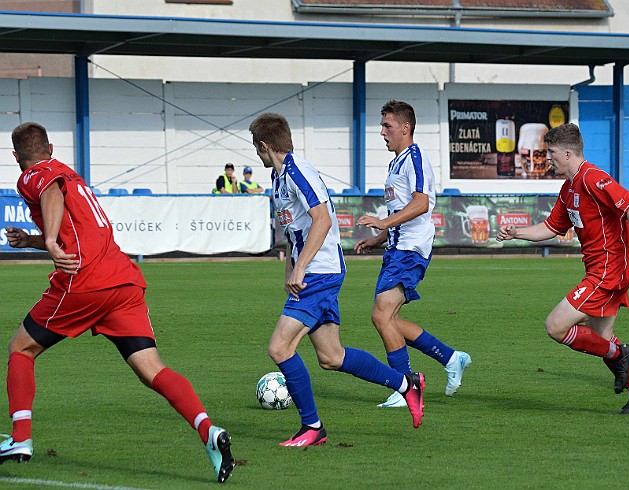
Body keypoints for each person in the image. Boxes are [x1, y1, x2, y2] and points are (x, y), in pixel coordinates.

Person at [1, 122, 235, 483]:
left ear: (16, 156)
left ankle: (19, 439)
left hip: (86, 281)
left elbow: (49, 192)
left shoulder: (37, 174)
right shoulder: (71, 175)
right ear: (51, 145)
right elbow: (75, 226)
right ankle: (208, 431)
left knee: (21, 348)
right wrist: (33, 240)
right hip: (123, 280)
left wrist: (47, 241)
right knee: (152, 369)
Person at [249, 112, 425, 447]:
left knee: (279, 347)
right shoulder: (280, 177)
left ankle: (312, 427)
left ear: (264, 145)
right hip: (313, 272)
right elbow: (296, 228)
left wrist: (300, 268)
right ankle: (407, 385)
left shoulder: (298, 170)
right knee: (332, 357)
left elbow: (321, 221)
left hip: (319, 272)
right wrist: (290, 269)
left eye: (256, 149)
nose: (256, 155)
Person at [495, 122, 629, 414]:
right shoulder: (569, 187)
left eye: (552, 153)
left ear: (568, 153)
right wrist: (516, 233)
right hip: (598, 269)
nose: (548, 158)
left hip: (609, 270)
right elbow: (551, 227)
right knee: (600, 337)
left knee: (556, 326)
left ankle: (620, 354)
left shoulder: (594, 178)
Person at [354, 100, 471, 409]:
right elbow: (401, 209)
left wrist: (384, 222)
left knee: (381, 315)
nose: (382, 132)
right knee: (389, 318)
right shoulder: (396, 162)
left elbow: (422, 203)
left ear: (405, 128)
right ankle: (450, 357)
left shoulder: (414, 158)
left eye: (387, 126)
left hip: (411, 249)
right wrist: (379, 237)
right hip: (397, 247)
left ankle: (406, 387)